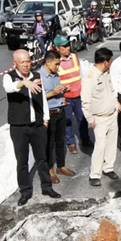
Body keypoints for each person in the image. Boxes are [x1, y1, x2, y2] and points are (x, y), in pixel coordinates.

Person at [3, 50, 60, 206]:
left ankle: (47, 187)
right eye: (22, 62)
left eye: (28, 61)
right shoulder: (10, 77)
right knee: (22, 161)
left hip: (38, 125)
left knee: (42, 158)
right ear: (15, 63)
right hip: (19, 127)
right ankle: (25, 191)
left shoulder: (36, 76)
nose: (26, 65)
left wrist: (46, 119)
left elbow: (42, 99)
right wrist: (24, 83)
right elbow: (9, 88)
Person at [82, 47, 121, 187]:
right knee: (100, 147)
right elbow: (85, 101)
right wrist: (90, 119)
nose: (111, 63)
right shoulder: (90, 77)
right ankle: (95, 174)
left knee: (111, 144)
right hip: (99, 118)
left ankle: (108, 167)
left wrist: (116, 103)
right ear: (105, 62)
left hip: (112, 115)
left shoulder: (106, 73)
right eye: (110, 61)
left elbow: (111, 90)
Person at [39, 50, 74, 185]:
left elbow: (57, 92)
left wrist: (63, 91)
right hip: (49, 114)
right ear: (47, 62)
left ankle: (61, 166)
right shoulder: (39, 76)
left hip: (60, 110)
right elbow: (38, 97)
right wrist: (52, 93)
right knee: (49, 143)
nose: (58, 67)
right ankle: (49, 170)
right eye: (56, 64)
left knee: (60, 141)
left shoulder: (56, 75)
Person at [54, 35, 93, 154]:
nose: (67, 48)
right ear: (57, 48)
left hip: (78, 95)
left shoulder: (75, 57)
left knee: (82, 118)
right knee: (67, 121)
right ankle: (71, 143)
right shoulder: (55, 62)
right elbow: (55, 81)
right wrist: (61, 96)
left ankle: (85, 139)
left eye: (67, 46)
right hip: (65, 97)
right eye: (64, 47)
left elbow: (81, 74)